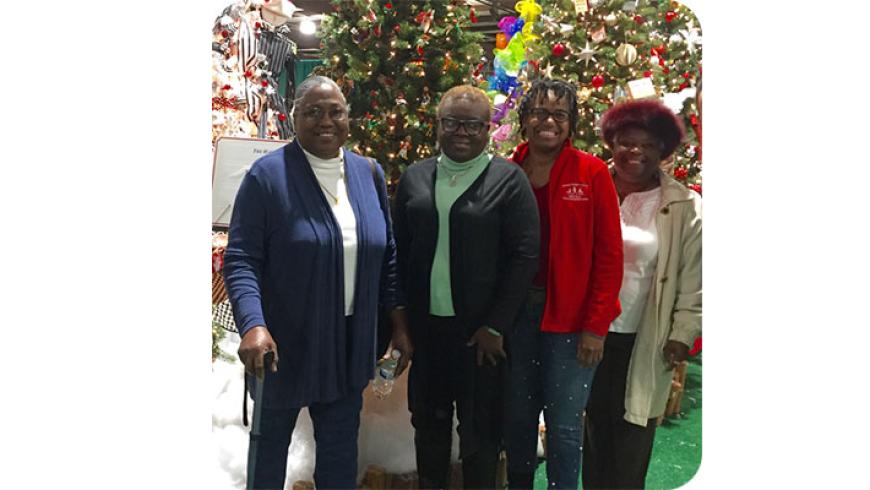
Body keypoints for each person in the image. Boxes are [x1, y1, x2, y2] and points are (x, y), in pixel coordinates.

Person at [222, 75, 412, 490]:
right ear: (294, 119)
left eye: (335, 111)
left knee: (340, 449)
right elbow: (241, 259)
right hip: (283, 342)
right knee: (270, 446)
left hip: (349, 339)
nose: (325, 121)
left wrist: (398, 327)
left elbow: (388, 255)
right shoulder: (268, 177)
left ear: (348, 118)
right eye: (313, 112)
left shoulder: (369, 173)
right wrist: (254, 325)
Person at [393, 85, 539, 489]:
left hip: (481, 339)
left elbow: (525, 258)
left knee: (481, 433)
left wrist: (496, 326)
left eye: (473, 124)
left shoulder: (509, 181)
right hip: (427, 333)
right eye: (451, 122)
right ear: (438, 125)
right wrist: (401, 324)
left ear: (487, 128)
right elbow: (397, 254)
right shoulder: (416, 178)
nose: (462, 131)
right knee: (428, 423)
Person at [504, 78, 625, 490]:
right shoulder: (507, 170)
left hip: (573, 324)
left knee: (564, 424)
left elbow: (610, 256)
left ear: (571, 123)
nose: (548, 121)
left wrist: (596, 327)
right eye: (538, 112)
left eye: (559, 113)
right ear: (524, 121)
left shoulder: (591, 173)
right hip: (516, 317)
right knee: (517, 416)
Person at [581, 98, 702, 489]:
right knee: (593, 428)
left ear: (663, 151)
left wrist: (683, 335)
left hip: (645, 335)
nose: (636, 152)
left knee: (634, 432)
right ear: (611, 143)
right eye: (627, 142)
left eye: (648, 145)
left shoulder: (684, 205)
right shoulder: (589, 188)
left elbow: (693, 279)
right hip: (588, 332)